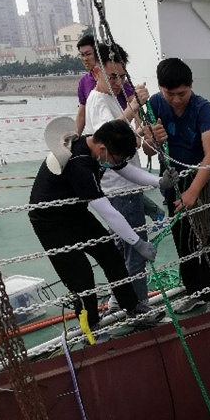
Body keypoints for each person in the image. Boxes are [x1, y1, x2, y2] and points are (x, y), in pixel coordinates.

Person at [29, 119, 173, 335]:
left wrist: (158, 182)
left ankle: (133, 308)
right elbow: (108, 212)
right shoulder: (80, 165)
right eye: (117, 158)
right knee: (81, 276)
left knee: (111, 257)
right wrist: (138, 243)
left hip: (75, 212)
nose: (117, 164)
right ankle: (91, 328)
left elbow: (125, 169)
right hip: (49, 221)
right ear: (103, 149)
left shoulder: (97, 147)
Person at [146, 58, 210, 314]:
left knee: (209, 239)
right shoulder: (155, 104)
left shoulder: (203, 108)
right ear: (161, 88)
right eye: (170, 94)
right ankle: (193, 292)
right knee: (184, 242)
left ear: (191, 86)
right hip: (173, 183)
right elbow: (147, 150)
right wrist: (152, 140)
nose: (176, 99)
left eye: (182, 93)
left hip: (204, 182)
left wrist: (193, 192)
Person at [83, 42, 156, 312]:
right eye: (112, 76)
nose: (118, 82)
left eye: (122, 77)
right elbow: (109, 133)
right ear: (96, 73)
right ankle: (139, 306)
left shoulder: (110, 99)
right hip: (120, 188)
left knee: (122, 248)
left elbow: (125, 139)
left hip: (122, 186)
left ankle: (120, 299)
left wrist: (139, 129)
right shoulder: (98, 100)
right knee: (135, 250)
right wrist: (134, 106)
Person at [75, 34, 134, 135]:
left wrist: (140, 132)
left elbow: (133, 104)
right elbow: (108, 135)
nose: (119, 83)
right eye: (82, 55)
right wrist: (75, 138)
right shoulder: (94, 95)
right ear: (96, 73)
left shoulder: (117, 87)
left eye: (88, 54)